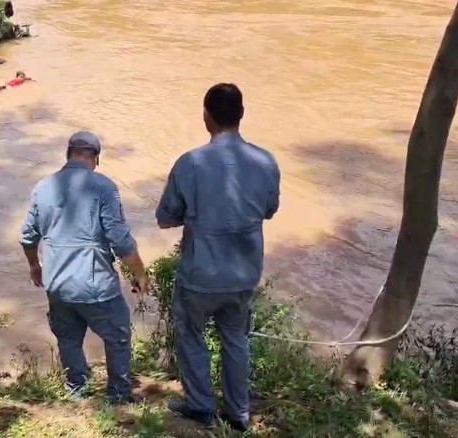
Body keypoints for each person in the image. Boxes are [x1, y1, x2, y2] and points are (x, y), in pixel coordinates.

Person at [155, 83, 280, 432]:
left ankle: (200, 407)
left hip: (200, 275)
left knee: (191, 335)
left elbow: (165, 217)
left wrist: (194, 214)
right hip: (243, 274)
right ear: (241, 115)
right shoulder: (266, 161)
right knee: (236, 338)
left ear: (206, 117)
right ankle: (238, 414)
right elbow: (270, 209)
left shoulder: (190, 163)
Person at [19, 130, 149, 404]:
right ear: (96, 158)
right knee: (118, 337)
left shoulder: (43, 187)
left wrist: (34, 265)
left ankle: (77, 390)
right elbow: (120, 238)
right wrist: (139, 272)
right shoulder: (104, 187)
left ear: (67, 154)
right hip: (95, 286)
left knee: (68, 338)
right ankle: (118, 397)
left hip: (57, 284)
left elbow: (28, 236)